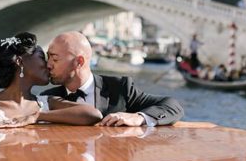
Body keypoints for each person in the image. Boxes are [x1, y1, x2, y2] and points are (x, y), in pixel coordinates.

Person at [42, 31, 184, 127]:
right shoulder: (47, 98)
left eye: (54, 59)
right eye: (48, 58)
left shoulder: (120, 88)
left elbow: (172, 105)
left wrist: (139, 117)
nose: (48, 65)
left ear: (79, 62)